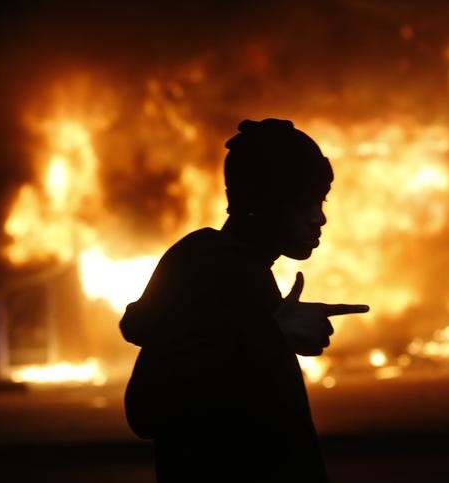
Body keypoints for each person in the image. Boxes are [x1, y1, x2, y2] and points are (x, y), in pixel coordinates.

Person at [119, 118, 369, 482]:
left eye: (321, 201)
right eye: (303, 204)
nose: (320, 218)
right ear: (263, 202)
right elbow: (148, 408)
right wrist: (272, 334)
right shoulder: (211, 268)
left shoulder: (234, 268)